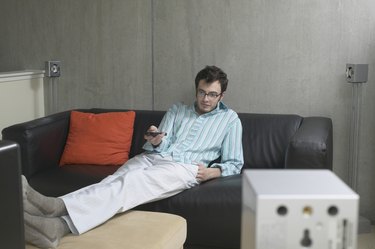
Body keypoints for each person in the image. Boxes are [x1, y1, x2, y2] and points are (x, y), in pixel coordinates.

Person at [22, 65, 244, 248]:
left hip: (185, 167)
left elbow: (235, 162)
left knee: (131, 182)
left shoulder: (230, 120)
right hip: (154, 157)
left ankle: (55, 213)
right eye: (202, 92)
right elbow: (160, 142)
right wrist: (156, 139)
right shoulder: (178, 110)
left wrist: (213, 172)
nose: (206, 99)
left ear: (222, 95)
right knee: (114, 181)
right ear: (196, 90)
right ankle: (54, 222)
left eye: (213, 94)